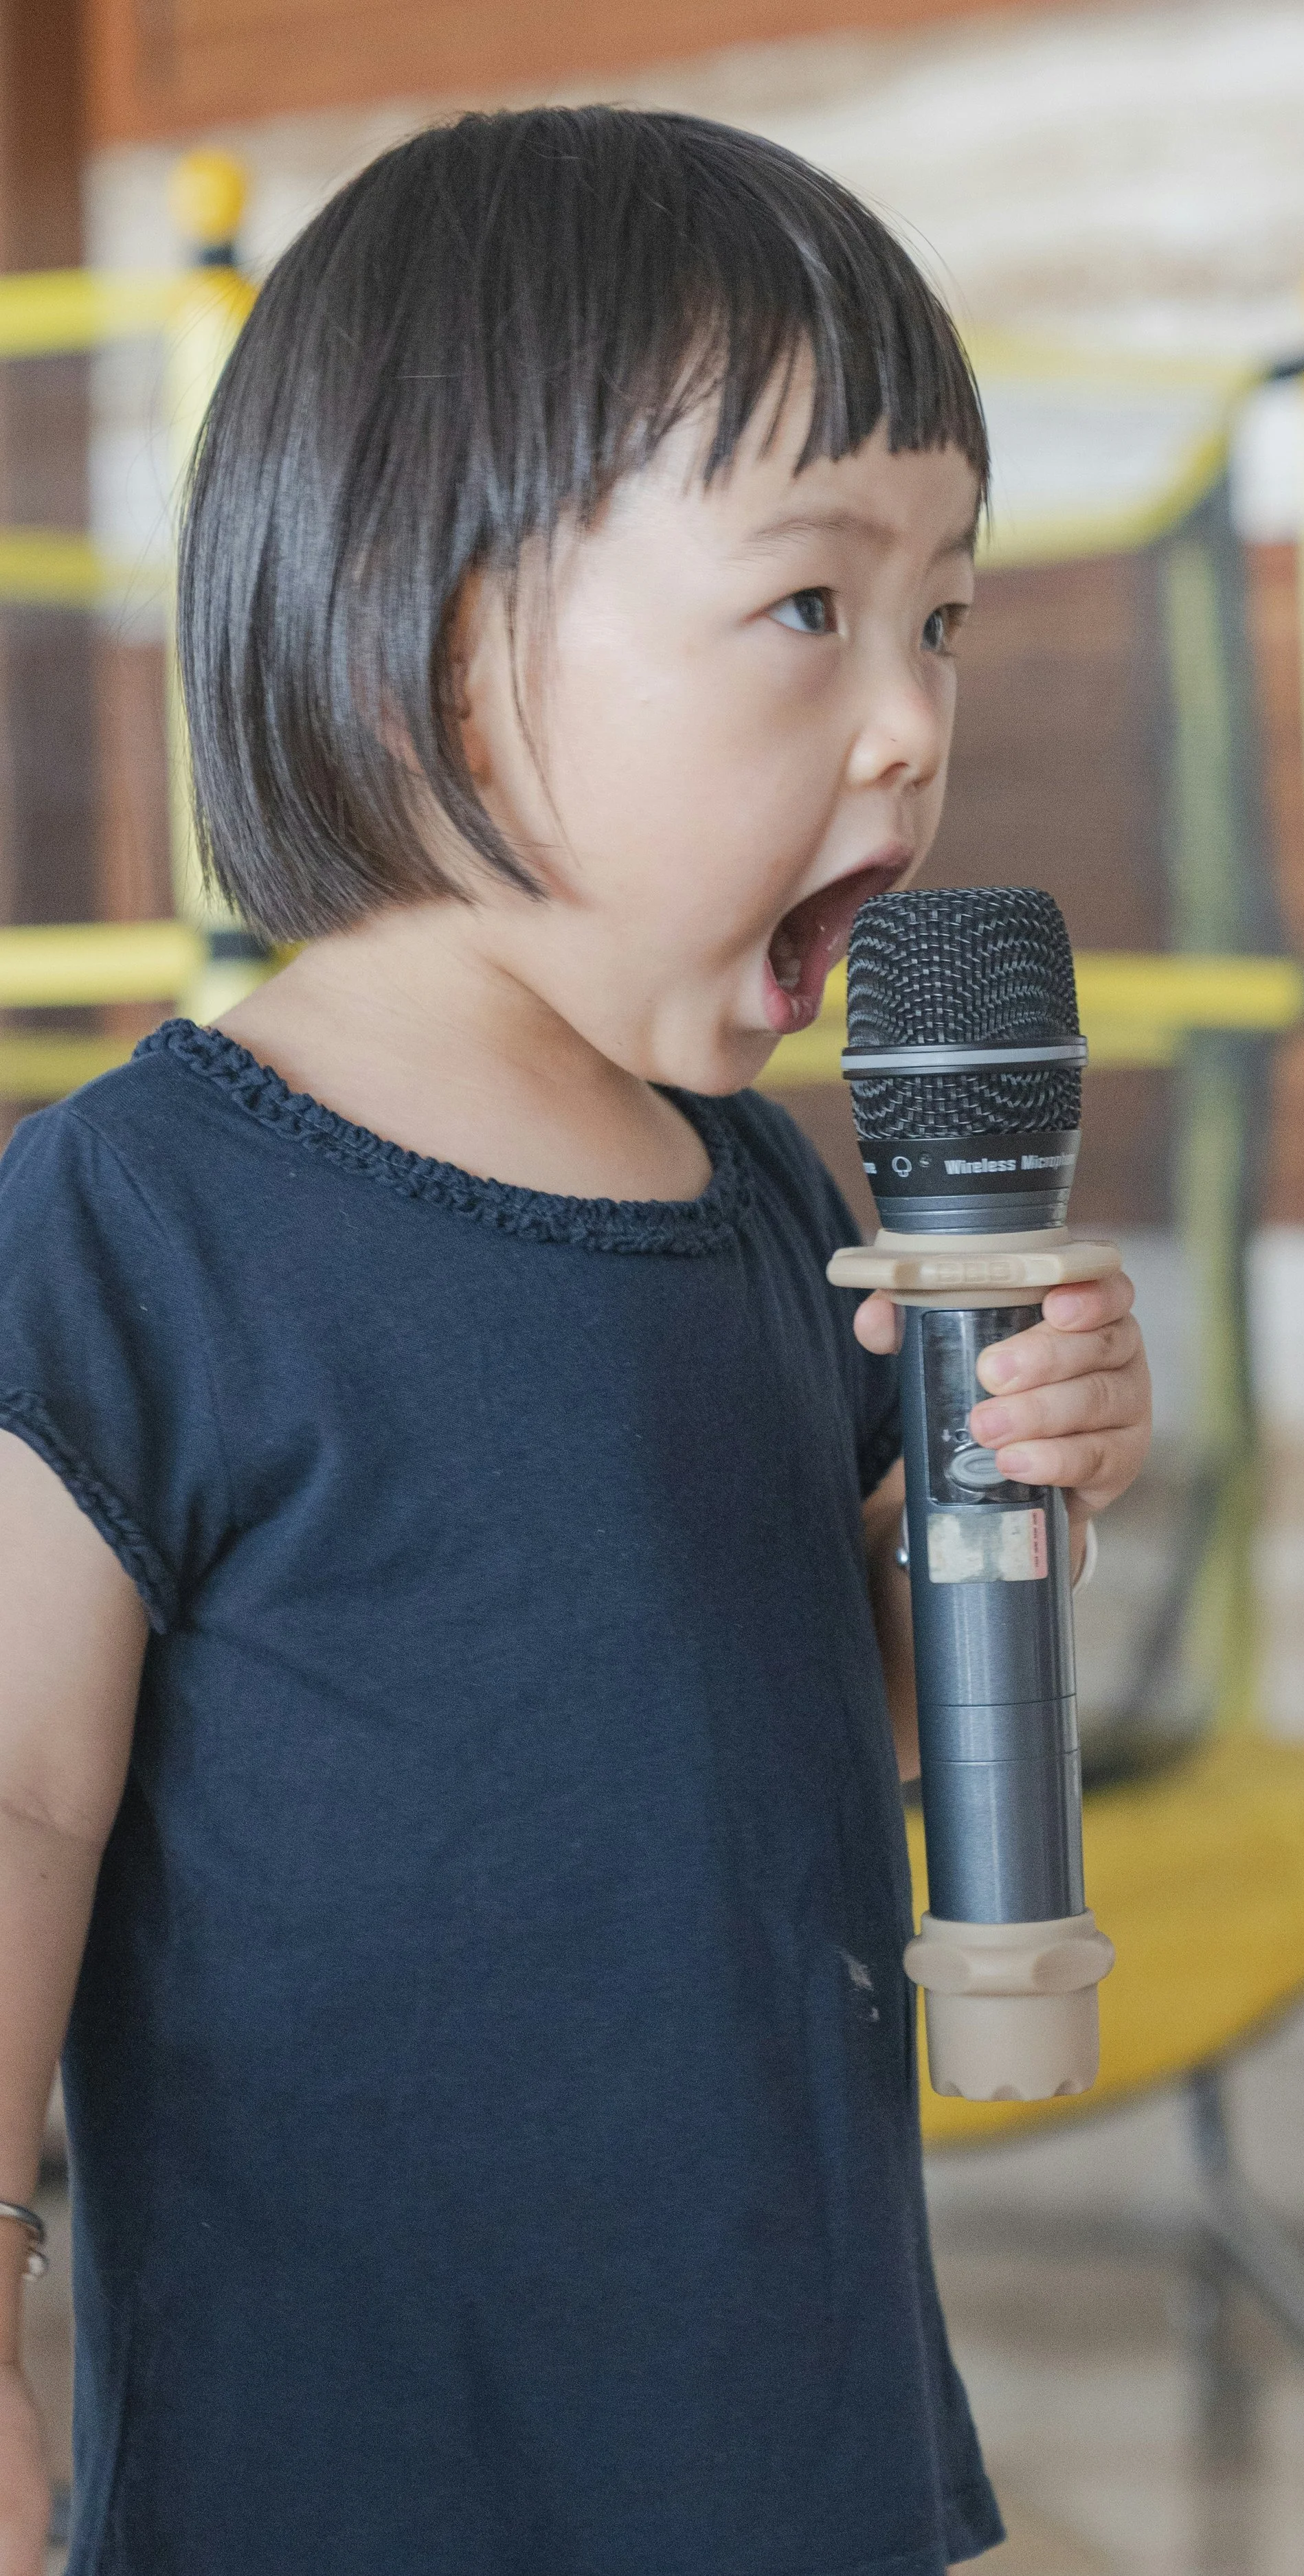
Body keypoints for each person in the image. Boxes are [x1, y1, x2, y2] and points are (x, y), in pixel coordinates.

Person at [0, 107, 1151, 2576]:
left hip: (793, 2442)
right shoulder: (139, 1216)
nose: (911, 725)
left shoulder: (771, 1202)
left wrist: (1017, 1485)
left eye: (941, 617)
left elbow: (831, 1701)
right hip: (340, 2485)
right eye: (810, 608)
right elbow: (19, 1799)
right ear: (446, 638)